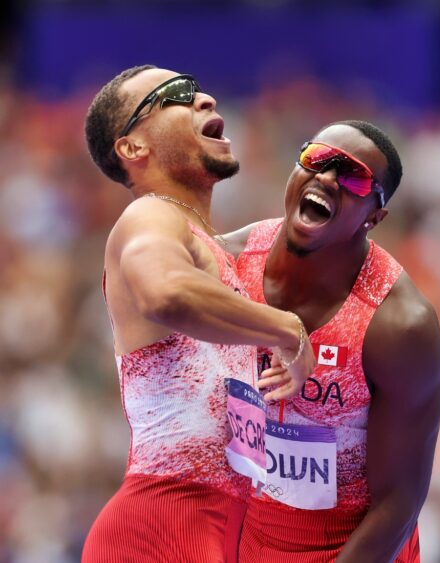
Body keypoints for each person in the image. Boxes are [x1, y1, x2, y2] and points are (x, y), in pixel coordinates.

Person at [80, 65, 315, 562]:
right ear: (133, 148)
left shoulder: (214, 253)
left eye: (200, 90)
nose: (204, 98)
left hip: (220, 527)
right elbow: (165, 292)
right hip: (160, 524)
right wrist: (288, 328)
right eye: (177, 96)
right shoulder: (150, 215)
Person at [218, 120, 440, 562]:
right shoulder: (229, 263)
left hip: (351, 550)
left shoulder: (399, 325)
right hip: (243, 540)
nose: (325, 177)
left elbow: (399, 503)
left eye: (353, 175)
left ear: (374, 217)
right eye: (317, 159)